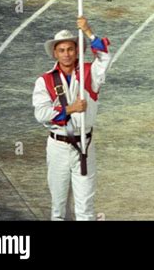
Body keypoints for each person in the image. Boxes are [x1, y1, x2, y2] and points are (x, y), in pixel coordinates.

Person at [32, 16, 111, 221]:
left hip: (85, 143)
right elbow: (41, 114)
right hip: (57, 146)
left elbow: (104, 57)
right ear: (55, 54)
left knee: (85, 207)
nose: (66, 54)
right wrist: (70, 108)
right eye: (62, 50)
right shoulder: (44, 80)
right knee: (59, 208)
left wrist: (88, 31)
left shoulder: (89, 74)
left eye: (70, 49)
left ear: (77, 51)